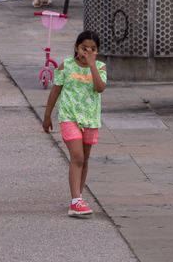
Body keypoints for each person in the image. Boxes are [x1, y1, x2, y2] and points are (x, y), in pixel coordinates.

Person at [41, 28, 107, 218]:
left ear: (97, 51)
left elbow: (100, 88)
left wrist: (92, 65)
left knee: (84, 159)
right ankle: (75, 201)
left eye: (92, 49)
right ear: (76, 48)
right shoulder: (66, 66)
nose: (87, 52)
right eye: (83, 48)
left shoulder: (100, 67)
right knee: (77, 156)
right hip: (69, 117)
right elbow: (55, 91)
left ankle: (78, 195)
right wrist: (47, 116)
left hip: (90, 119)